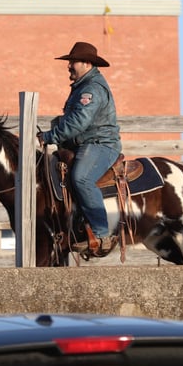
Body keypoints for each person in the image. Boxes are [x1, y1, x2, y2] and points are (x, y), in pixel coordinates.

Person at [37, 41, 123, 257]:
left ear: (86, 63)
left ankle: (102, 234)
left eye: (72, 62)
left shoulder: (91, 89)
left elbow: (78, 122)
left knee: (81, 178)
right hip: (87, 143)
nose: (69, 66)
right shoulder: (83, 86)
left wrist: (49, 136)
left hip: (100, 144)